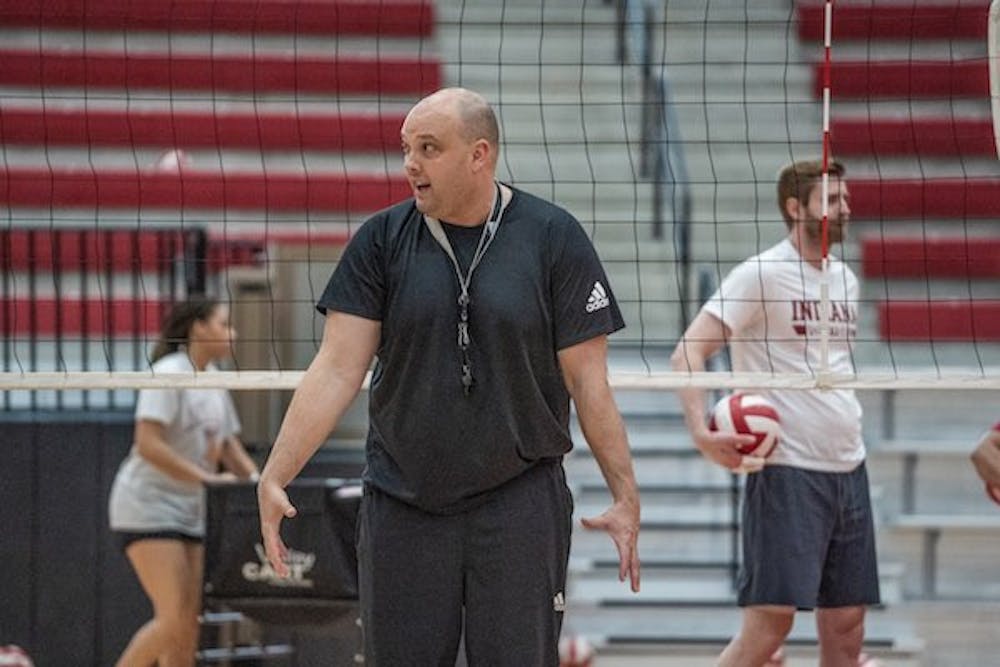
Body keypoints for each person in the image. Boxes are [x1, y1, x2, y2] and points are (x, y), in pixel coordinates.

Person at [257, 87, 641, 666]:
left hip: (519, 501)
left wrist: (625, 493)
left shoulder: (553, 238)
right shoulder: (381, 241)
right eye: (406, 147)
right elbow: (336, 368)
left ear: (478, 154)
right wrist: (275, 474)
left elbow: (590, 384)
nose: (410, 163)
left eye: (429, 148)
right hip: (402, 502)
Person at [671, 159, 880, 667]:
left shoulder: (846, 280)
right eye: (832, 201)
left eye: (845, 199)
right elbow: (688, 352)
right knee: (770, 626)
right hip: (787, 470)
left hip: (848, 465)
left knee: (848, 626)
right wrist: (701, 433)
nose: (844, 208)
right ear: (795, 208)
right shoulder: (762, 273)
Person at [109, 297, 259, 667]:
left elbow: (228, 447)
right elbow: (147, 445)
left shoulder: (213, 381)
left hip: (189, 509)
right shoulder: (169, 372)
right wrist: (207, 478)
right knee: (172, 619)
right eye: (224, 324)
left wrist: (261, 483)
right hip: (148, 506)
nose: (233, 333)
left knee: (187, 626)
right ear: (198, 328)